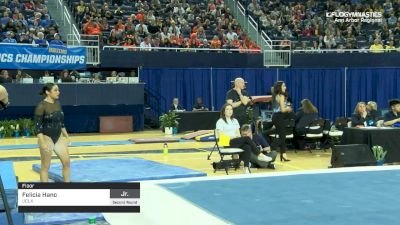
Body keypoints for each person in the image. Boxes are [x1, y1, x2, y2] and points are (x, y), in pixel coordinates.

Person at [216, 104, 271, 174]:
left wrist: (235, 137)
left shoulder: (235, 121)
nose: (230, 111)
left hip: (235, 141)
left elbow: (238, 135)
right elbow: (221, 137)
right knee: (247, 138)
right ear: (224, 112)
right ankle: (259, 155)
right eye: (227, 109)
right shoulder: (220, 121)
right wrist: (232, 137)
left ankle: (246, 168)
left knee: (247, 146)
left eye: (231, 109)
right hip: (226, 142)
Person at [34, 83, 71, 182]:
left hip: (58, 137)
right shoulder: (41, 106)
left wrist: (67, 136)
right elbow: (38, 127)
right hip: (46, 138)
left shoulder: (57, 104)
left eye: (58, 90)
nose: (58, 92)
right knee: (45, 167)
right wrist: (42, 142)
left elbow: (61, 123)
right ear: (47, 92)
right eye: (55, 90)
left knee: (67, 163)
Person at [271, 81, 294, 162]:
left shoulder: (275, 95)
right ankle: (270, 147)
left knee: (282, 136)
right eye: (284, 86)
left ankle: (283, 154)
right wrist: (288, 108)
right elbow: (283, 109)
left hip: (276, 117)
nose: (285, 87)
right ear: (279, 87)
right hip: (279, 117)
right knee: (282, 137)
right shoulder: (281, 96)